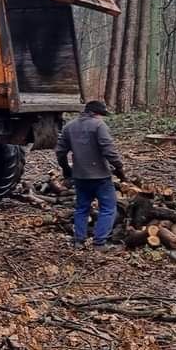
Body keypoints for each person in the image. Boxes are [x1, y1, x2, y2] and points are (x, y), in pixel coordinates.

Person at [56, 99, 126, 249]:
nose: (101, 117)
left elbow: (60, 152)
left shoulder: (69, 127)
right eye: (101, 114)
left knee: (82, 208)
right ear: (96, 114)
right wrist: (119, 169)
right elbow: (109, 151)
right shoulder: (99, 125)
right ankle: (99, 243)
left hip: (80, 176)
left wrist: (67, 170)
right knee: (108, 208)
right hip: (101, 176)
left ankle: (79, 241)